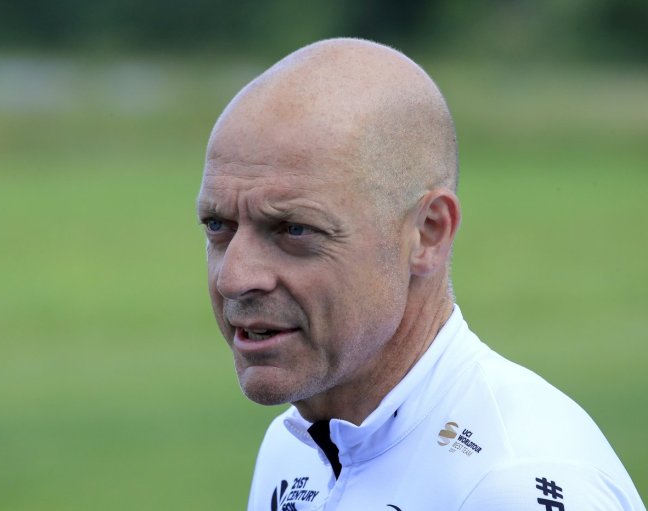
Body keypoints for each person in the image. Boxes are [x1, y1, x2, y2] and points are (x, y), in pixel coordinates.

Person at [196, 38, 645, 510]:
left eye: (294, 229)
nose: (234, 278)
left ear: (428, 233)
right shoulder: (295, 448)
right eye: (218, 226)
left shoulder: (508, 485)